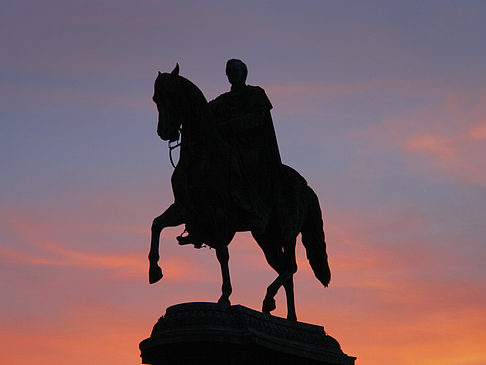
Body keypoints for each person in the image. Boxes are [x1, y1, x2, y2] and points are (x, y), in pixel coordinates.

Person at [177, 59, 282, 246]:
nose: (232, 73)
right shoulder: (223, 101)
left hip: (251, 148)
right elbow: (203, 112)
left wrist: (227, 126)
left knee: (235, 162)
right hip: (229, 147)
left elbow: (256, 118)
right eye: (229, 71)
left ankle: (254, 210)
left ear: (244, 73)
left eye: (235, 70)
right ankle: (199, 222)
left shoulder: (255, 94)